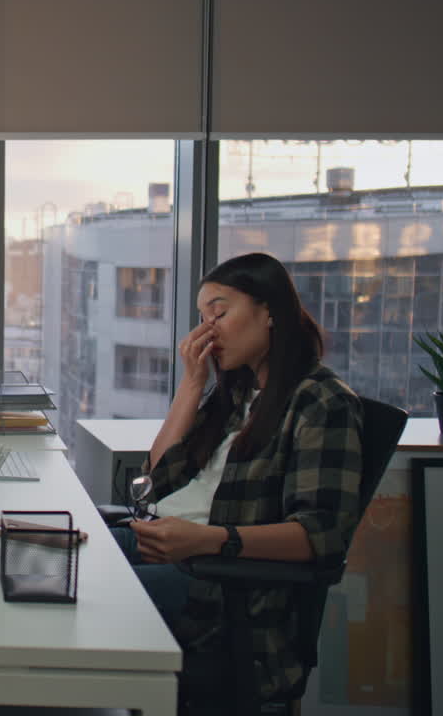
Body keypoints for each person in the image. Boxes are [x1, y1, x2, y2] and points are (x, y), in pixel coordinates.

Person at [110, 252, 363, 703]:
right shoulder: (238, 392)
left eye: (220, 313)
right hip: (172, 546)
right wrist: (191, 383)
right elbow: (158, 480)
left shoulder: (322, 404)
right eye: (202, 317)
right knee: (52, 547)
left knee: (86, 597)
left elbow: (320, 535)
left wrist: (207, 540)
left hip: (221, 589)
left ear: (269, 312)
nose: (207, 330)